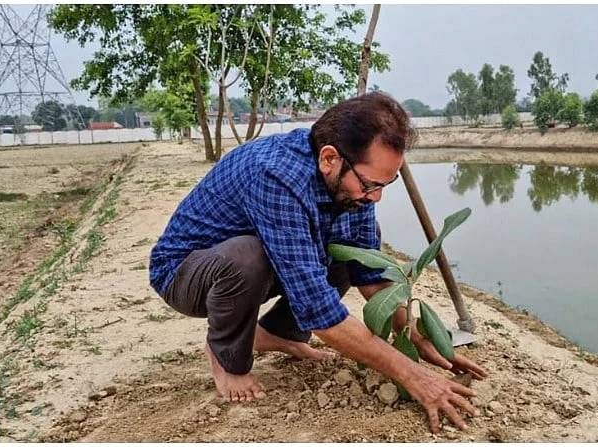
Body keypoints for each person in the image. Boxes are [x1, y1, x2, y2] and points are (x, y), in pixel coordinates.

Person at [149, 92, 487, 433]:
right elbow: (319, 312)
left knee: (343, 251)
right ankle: (226, 357)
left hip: (260, 264)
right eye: (371, 184)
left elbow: (368, 273)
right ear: (329, 158)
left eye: (386, 184)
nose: (376, 196)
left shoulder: (352, 183)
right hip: (185, 274)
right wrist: (412, 376)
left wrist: (416, 334)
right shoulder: (276, 176)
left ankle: (270, 333)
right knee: (247, 257)